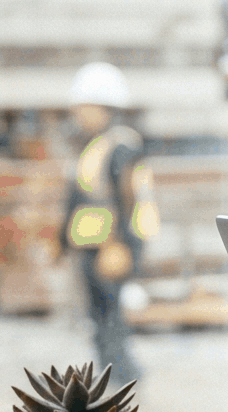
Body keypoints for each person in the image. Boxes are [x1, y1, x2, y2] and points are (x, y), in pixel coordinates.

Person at [57, 61, 158, 384]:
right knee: (98, 317)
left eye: (83, 106)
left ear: (104, 107)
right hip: (92, 244)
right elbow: (78, 199)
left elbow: (127, 198)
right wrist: (61, 241)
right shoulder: (96, 146)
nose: (77, 113)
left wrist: (123, 246)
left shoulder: (121, 147)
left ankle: (124, 375)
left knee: (111, 316)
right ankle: (109, 373)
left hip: (111, 246)